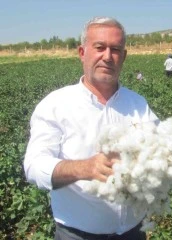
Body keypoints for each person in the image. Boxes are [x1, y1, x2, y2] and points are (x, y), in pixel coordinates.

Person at [23, 17, 158, 240]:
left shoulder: (138, 104)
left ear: (123, 57)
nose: (107, 56)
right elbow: (34, 166)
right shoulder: (56, 105)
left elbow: (159, 148)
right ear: (82, 52)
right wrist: (84, 168)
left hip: (133, 232)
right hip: (77, 235)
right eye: (99, 47)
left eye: (115, 49)